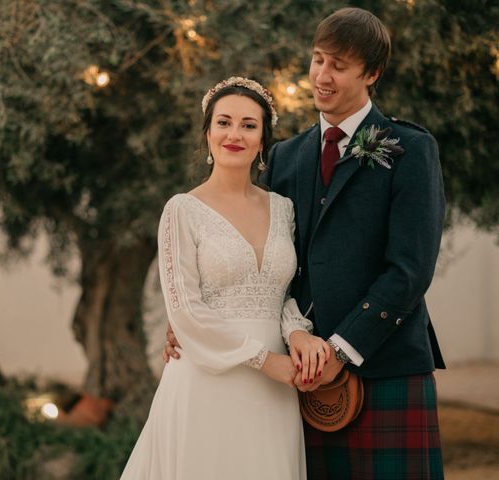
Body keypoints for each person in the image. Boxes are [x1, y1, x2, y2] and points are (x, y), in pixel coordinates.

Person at [165, 8, 446, 480]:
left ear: (371, 73)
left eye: (338, 65)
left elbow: (410, 270)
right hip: (300, 375)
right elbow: (267, 262)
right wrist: (191, 321)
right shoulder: (285, 156)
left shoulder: (410, 149)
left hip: (384, 364)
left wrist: (338, 351)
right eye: (318, 60)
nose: (322, 75)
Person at [121, 77, 329, 480]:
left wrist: (298, 334)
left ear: (263, 140)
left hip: (274, 390)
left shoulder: (283, 209)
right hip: (206, 380)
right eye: (224, 122)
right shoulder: (181, 210)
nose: (235, 134)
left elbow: (284, 294)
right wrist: (265, 361)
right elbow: (185, 312)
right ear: (208, 132)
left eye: (249, 125)